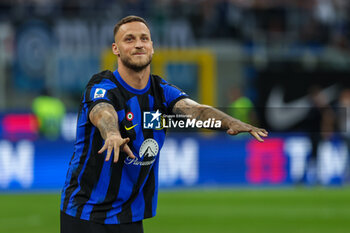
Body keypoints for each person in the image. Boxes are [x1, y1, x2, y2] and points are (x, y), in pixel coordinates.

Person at [60, 15, 268, 233]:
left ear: (152, 46)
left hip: (128, 214)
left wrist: (230, 122)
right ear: (116, 49)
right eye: (129, 39)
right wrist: (111, 133)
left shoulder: (162, 91)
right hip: (84, 211)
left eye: (144, 38)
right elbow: (102, 112)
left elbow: (196, 110)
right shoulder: (101, 86)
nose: (138, 44)